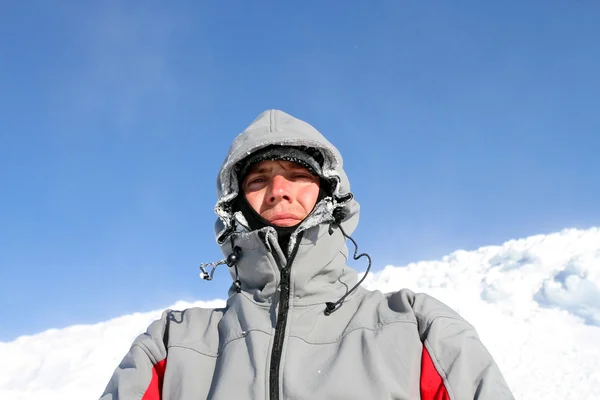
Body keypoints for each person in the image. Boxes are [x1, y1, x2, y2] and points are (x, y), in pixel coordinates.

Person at [100, 110, 514, 399]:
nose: (279, 190)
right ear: (236, 204)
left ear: (329, 192)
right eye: (259, 179)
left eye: (298, 175)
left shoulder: (416, 327)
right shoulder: (173, 344)